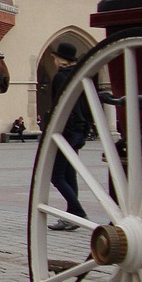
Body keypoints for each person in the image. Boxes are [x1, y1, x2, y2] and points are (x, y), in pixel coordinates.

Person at [48, 42, 90, 231]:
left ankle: (78, 212)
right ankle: (73, 213)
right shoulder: (80, 77)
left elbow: (61, 108)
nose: (54, 61)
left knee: (56, 176)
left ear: (60, 59)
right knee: (69, 174)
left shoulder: (60, 77)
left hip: (66, 131)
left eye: (55, 58)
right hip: (79, 131)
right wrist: (85, 130)